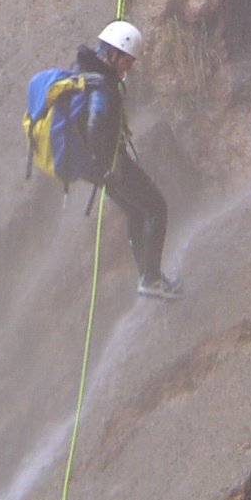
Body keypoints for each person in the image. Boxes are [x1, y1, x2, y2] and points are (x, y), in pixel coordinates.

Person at [78, 20, 181, 300]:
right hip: (110, 165)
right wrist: (106, 165)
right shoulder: (101, 86)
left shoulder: (86, 74)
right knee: (157, 206)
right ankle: (150, 279)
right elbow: (96, 121)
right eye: (127, 60)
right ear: (114, 54)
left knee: (135, 211)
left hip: (96, 167)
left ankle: (148, 276)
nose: (129, 67)